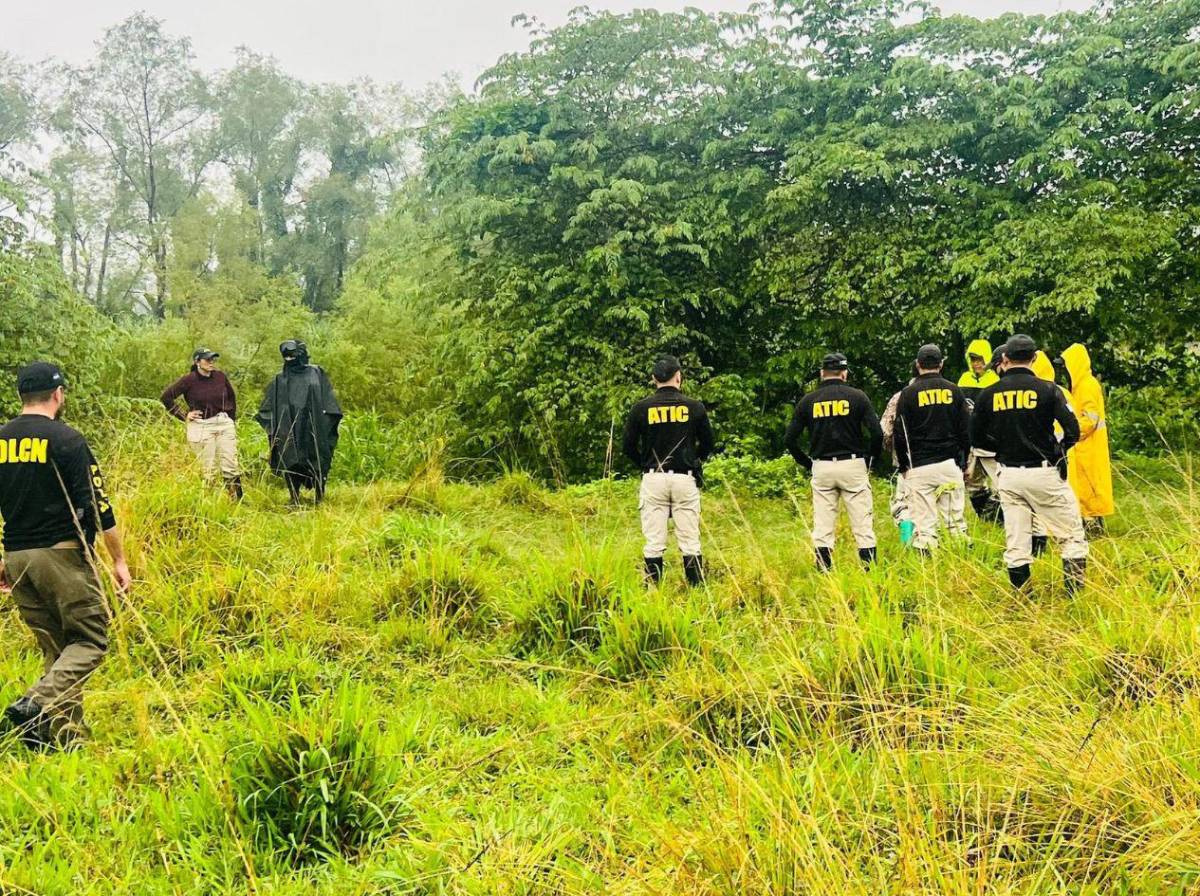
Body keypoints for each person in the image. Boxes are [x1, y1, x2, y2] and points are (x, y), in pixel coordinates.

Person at [0, 363, 131, 751]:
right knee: (91, 642)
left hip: (17, 557)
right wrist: (118, 561)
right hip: (61, 556)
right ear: (58, 395)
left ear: (22, 396)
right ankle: (35, 704)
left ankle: (62, 738)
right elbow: (98, 506)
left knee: (56, 651)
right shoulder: (68, 440)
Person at [970, 335, 1088, 594]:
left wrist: (1000, 447)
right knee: (1071, 536)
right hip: (1044, 470)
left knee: (1016, 538)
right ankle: (1074, 596)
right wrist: (1059, 451)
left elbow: (976, 437)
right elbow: (1073, 429)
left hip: (1008, 473)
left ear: (1004, 359)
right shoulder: (1049, 389)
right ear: (1034, 359)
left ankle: (1023, 596)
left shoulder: (989, 394)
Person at [785, 353, 883, 571]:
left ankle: (824, 572)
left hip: (822, 466)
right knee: (862, 523)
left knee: (823, 524)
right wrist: (871, 460)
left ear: (822, 373)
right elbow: (877, 433)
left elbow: (789, 439)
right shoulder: (858, 397)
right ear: (844, 373)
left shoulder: (808, 401)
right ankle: (870, 571)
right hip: (853, 464)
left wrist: (807, 463)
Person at [622, 355, 714, 586]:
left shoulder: (640, 408)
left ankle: (653, 592)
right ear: (678, 377)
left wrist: (645, 465)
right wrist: (695, 461)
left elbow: (627, 447)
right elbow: (708, 443)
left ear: (654, 379)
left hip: (653, 478)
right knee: (690, 540)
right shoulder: (694, 407)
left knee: (654, 541)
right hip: (685, 477)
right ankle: (697, 591)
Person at [892, 344, 971, 552]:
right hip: (949, 464)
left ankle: (926, 574)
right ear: (941, 364)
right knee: (955, 524)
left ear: (918, 365)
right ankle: (963, 568)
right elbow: (965, 431)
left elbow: (899, 433)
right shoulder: (954, 390)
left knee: (924, 528)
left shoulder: (907, 394)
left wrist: (904, 465)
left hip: (919, 466)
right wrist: (963, 462)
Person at [255, 340, 343, 506]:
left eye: (293, 355)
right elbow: (267, 408)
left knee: (316, 457)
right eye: (286, 356)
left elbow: (329, 400)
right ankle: (294, 497)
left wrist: (326, 421)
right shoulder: (280, 379)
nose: (290, 359)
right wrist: (276, 427)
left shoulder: (316, 373)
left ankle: (319, 496)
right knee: (290, 457)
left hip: (314, 426)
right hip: (289, 428)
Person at [160, 348, 242, 500]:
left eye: (213, 359)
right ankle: (209, 502)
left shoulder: (220, 376)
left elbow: (231, 397)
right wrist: (184, 415)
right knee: (208, 467)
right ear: (197, 362)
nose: (211, 362)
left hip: (223, 422)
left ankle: (236, 501)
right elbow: (166, 397)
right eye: (207, 359)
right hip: (202, 425)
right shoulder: (189, 380)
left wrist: (231, 419)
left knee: (230, 463)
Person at [1058, 343, 1114, 534]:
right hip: (1083, 446)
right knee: (1084, 487)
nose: (1064, 370)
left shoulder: (1087, 385)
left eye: (1066, 365)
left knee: (1091, 487)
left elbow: (1090, 418)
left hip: (1089, 446)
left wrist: (1071, 431)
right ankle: (1089, 521)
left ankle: (1093, 525)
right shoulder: (1080, 385)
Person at [1030, 349, 1076, 557]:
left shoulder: (1037, 392)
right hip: (1057, 453)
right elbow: (1073, 427)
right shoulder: (1056, 391)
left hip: (1046, 456)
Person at [963, 343, 1004, 521]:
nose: (976, 364)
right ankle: (985, 518)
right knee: (972, 482)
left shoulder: (995, 380)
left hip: (991, 440)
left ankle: (996, 517)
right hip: (971, 440)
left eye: (979, 360)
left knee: (1000, 483)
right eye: (973, 360)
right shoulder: (963, 379)